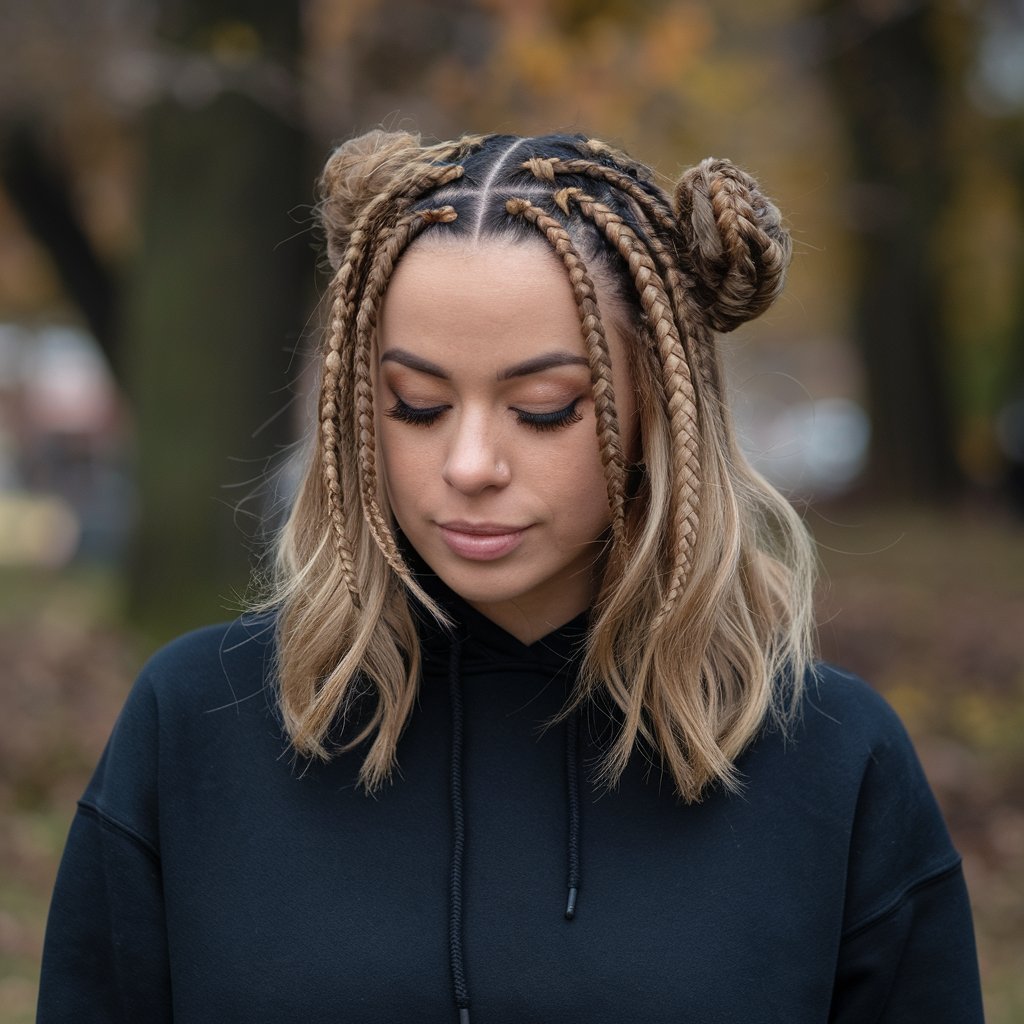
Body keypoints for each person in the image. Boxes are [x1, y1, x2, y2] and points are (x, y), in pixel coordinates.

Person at [38, 130, 984, 1023]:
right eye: (417, 405)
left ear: (661, 407)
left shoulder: (828, 759)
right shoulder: (198, 723)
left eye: (543, 408)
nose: (470, 464)